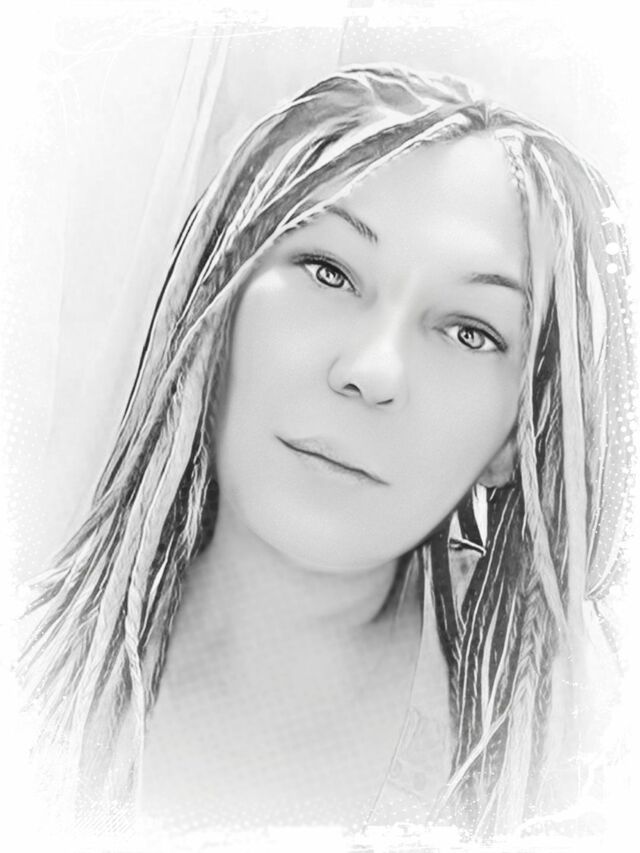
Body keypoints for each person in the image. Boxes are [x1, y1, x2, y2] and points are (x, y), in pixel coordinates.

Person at [17, 63, 635, 841]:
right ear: (217, 304)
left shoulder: (582, 768)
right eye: (329, 271)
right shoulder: (23, 680)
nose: (373, 370)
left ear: (514, 441)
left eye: (469, 330)